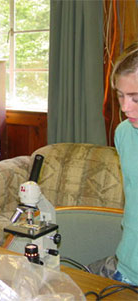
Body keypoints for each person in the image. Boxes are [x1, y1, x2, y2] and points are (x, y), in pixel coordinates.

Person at [89, 41, 138, 286]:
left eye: (135, 98)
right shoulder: (123, 133)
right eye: (120, 96)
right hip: (125, 266)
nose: (125, 107)